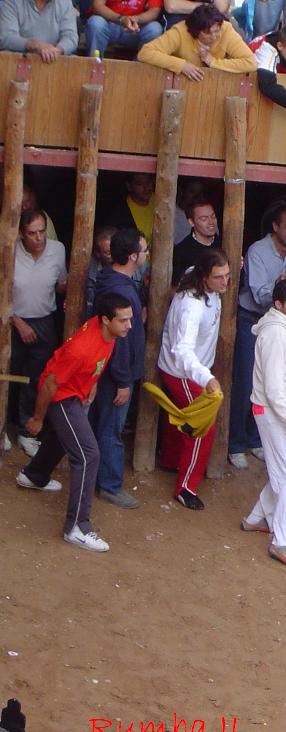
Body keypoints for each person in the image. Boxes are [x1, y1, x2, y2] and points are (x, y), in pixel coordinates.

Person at [15, 293, 133, 553]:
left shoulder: (109, 333)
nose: (129, 325)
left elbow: (96, 363)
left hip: (76, 393)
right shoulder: (81, 348)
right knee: (88, 455)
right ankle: (77, 527)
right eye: (123, 320)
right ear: (105, 320)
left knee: (66, 436)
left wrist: (91, 385)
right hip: (61, 397)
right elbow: (49, 384)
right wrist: (37, 418)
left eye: (130, 319)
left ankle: (33, 476)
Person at [241, 279, 286, 570]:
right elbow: (272, 386)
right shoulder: (276, 335)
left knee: (285, 472)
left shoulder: (277, 329)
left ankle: (256, 519)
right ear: (279, 305)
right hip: (273, 412)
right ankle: (282, 542)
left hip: (273, 411)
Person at [157, 250, 229, 511]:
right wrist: (207, 378)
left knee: (180, 418)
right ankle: (185, 486)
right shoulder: (193, 306)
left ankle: (171, 460)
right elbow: (183, 350)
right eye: (219, 277)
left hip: (187, 369)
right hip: (184, 372)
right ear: (204, 277)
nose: (225, 283)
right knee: (202, 426)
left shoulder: (193, 275)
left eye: (227, 275)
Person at [228, 204, 286, 470]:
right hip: (251, 321)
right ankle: (235, 444)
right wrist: (281, 285)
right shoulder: (257, 250)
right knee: (245, 385)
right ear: (275, 227)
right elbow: (258, 295)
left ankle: (256, 440)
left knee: (269, 383)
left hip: (278, 324)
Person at [89, 229, 147, 510]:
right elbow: (120, 341)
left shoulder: (114, 280)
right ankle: (110, 485)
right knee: (112, 429)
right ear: (133, 256)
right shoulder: (120, 289)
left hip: (112, 372)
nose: (146, 256)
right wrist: (124, 380)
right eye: (144, 251)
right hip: (116, 375)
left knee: (105, 424)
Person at [11, 209, 66, 458]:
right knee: (8, 377)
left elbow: (61, 284)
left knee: (38, 379)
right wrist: (18, 322)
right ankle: (3, 428)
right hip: (12, 321)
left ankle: (26, 431)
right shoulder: (8, 249)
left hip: (44, 321)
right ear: (22, 234)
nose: (39, 238)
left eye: (42, 231)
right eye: (32, 233)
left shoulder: (57, 249)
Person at [138, 5, 256, 81]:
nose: (215, 36)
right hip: (180, 84)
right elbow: (145, 53)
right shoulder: (181, 31)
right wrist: (181, 65)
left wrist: (213, 62)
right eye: (208, 33)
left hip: (216, 87)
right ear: (195, 32)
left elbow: (251, 63)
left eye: (217, 30)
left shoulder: (226, 29)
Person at [0, 0, 77, 61]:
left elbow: (71, 37)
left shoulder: (65, 2)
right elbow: (6, 37)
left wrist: (57, 51)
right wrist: (35, 45)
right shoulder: (12, 2)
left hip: (55, 61)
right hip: (20, 61)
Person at [85, 0, 162, 58]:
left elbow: (154, 11)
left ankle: (139, 69)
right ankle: (95, 64)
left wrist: (136, 19)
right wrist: (121, 19)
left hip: (135, 28)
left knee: (155, 28)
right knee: (96, 22)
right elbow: (98, 5)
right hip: (109, 23)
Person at [171, 198, 221, 286]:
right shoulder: (181, 252)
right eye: (204, 219)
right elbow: (174, 288)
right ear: (191, 222)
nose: (211, 222)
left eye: (213, 216)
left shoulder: (223, 244)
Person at [104, 173, 156, 242]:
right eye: (140, 184)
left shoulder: (159, 200)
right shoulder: (121, 213)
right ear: (129, 186)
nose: (146, 188)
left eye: (149, 182)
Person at [84, 226, 117, 319]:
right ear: (97, 253)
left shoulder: (136, 269)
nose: (115, 255)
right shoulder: (86, 270)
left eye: (117, 249)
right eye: (108, 252)